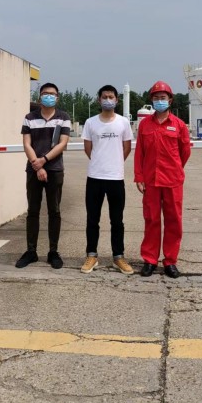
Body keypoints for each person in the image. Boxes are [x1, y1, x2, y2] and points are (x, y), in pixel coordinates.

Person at [134, 81, 191, 278]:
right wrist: (139, 176)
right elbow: (139, 153)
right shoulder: (144, 125)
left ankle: (170, 261)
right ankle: (150, 260)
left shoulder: (179, 125)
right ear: (152, 100)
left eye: (163, 98)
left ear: (170, 100)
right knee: (151, 219)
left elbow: (185, 152)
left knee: (174, 221)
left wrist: (175, 169)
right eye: (156, 98)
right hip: (150, 180)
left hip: (173, 180)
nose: (160, 101)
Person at [80, 85, 134, 275]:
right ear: (99, 100)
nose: (108, 100)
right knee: (92, 219)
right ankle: (91, 255)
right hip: (95, 177)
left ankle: (118, 257)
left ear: (117, 100)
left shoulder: (123, 122)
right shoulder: (90, 123)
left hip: (116, 178)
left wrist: (114, 163)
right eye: (104, 97)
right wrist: (100, 162)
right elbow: (88, 148)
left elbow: (126, 147)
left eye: (111, 97)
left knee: (117, 220)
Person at [17, 82, 71, 269]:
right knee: (33, 211)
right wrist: (37, 165)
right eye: (45, 93)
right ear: (39, 97)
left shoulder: (63, 117)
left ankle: (53, 252)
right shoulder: (29, 118)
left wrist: (44, 160)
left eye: (52, 94)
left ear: (57, 97)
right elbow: (27, 144)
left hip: (55, 170)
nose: (49, 96)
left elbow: (62, 143)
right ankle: (31, 251)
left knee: (54, 211)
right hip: (34, 170)